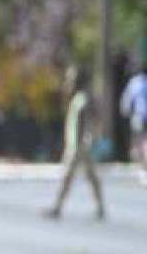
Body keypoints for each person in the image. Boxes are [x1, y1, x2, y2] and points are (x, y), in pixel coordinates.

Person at [43, 65, 105, 221]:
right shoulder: (78, 98)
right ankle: (100, 207)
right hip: (76, 144)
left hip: (78, 146)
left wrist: (89, 138)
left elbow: (92, 119)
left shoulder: (83, 99)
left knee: (67, 177)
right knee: (90, 177)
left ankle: (57, 207)